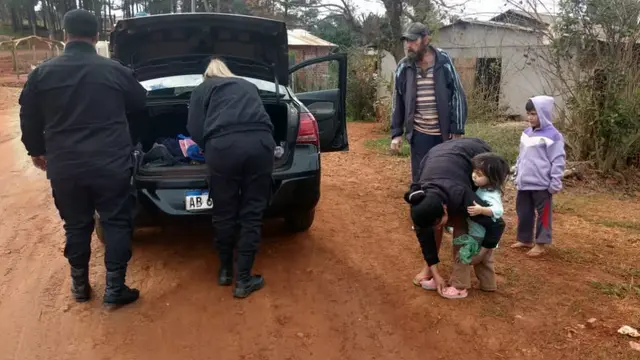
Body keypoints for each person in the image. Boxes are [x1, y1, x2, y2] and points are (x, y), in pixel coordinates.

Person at [19, 9, 147, 307]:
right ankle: (115, 289)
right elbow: (141, 104)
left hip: (65, 166)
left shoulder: (42, 73)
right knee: (116, 222)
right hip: (111, 163)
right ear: (96, 36)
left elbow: (29, 117)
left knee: (76, 226)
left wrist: (36, 151)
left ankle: (79, 286)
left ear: (64, 35)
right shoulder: (114, 71)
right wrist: (133, 141)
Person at [187, 58, 275, 299]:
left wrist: (211, 147)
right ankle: (244, 280)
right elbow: (263, 116)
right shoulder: (246, 85)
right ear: (228, 73)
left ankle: (225, 271)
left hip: (223, 147)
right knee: (252, 212)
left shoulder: (202, 88)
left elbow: (194, 127)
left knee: (224, 212)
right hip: (260, 143)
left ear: (208, 75)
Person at [403, 138, 506, 293]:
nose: (438, 227)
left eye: (440, 223)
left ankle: (462, 281)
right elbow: (425, 237)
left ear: (445, 208)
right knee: (430, 227)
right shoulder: (420, 202)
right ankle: (429, 270)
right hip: (438, 156)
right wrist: (436, 274)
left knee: (463, 222)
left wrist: (484, 250)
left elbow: (497, 224)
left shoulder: (462, 195)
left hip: (475, 153)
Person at [390, 22, 468, 184]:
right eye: (407, 41)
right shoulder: (404, 67)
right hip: (419, 133)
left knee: (444, 174)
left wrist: (457, 129)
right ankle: (423, 207)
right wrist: (397, 133)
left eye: (413, 41)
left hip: (443, 134)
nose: (409, 45)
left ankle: (441, 206)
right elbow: (397, 100)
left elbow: (457, 94)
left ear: (426, 39)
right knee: (421, 177)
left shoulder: (443, 61)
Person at [440, 153, 510, 299]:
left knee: (462, 257)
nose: (474, 176)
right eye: (474, 172)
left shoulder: (491, 195)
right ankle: (488, 285)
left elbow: (498, 211)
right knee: (485, 261)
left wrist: (481, 210)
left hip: (477, 235)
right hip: (485, 235)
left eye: (479, 174)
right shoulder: (486, 189)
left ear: (492, 176)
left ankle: (459, 287)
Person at [512, 96, 565, 257]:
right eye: (528, 113)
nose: (530, 117)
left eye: (534, 114)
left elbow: (558, 160)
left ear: (543, 113)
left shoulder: (553, 136)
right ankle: (525, 239)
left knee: (544, 214)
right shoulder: (526, 133)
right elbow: (521, 157)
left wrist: (555, 181)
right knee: (524, 212)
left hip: (542, 184)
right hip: (524, 182)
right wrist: (516, 174)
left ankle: (541, 243)